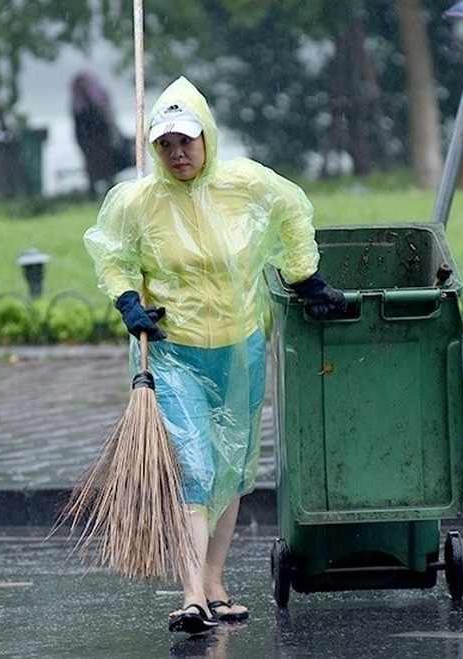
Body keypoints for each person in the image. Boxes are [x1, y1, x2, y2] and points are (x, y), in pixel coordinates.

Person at [83, 76, 345, 634]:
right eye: (165, 144)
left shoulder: (245, 184)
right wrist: (128, 301)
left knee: (232, 468)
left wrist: (304, 276)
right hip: (172, 353)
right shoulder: (137, 202)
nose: (177, 153)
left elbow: (293, 209)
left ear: (207, 137)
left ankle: (214, 581)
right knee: (195, 469)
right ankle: (191, 597)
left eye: (186, 140)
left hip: (240, 349)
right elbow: (112, 254)